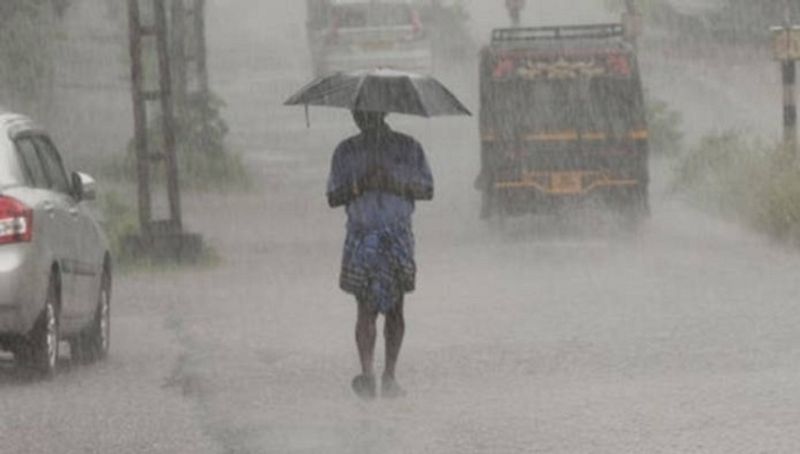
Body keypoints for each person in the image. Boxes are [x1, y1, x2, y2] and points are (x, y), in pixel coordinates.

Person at [327, 110, 434, 399]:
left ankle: (389, 375)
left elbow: (427, 189)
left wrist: (392, 183)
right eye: (359, 111)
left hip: (396, 236)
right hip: (362, 237)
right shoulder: (346, 151)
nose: (362, 117)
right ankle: (367, 373)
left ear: (383, 112)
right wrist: (360, 184)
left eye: (368, 111)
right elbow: (333, 197)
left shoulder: (408, 148)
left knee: (396, 308)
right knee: (365, 308)